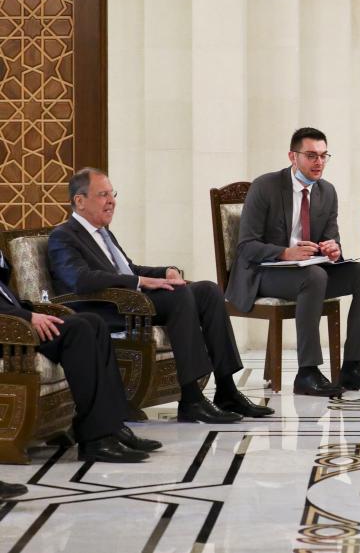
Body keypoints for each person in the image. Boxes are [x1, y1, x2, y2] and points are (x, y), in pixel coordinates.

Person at [47, 168, 273, 423]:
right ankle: (192, 399)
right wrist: (141, 281)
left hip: (131, 302)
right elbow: (79, 279)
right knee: (178, 296)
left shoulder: (104, 233)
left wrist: (166, 271)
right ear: (79, 200)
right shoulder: (63, 236)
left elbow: (128, 269)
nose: (112, 201)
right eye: (103, 195)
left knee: (208, 291)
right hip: (105, 310)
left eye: (113, 194)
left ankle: (227, 390)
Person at [227, 127, 360, 396]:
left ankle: (352, 367)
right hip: (263, 273)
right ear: (293, 156)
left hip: (308, 272)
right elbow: (246, 247)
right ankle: (307, 372)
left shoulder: (327, 192)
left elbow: (330, 238)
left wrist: (333, 249)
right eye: (312, 155)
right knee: (315, 277)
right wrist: (284, 252)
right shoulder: (265, 186)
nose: (319, 162)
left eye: (324, 156)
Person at [1, 250, 160, 463]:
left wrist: (32, 312)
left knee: (94, 322)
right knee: (78, 328)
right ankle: (95, 440)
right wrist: (28, 316)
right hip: (10, 334)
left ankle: (113, 425)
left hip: (18, 322)